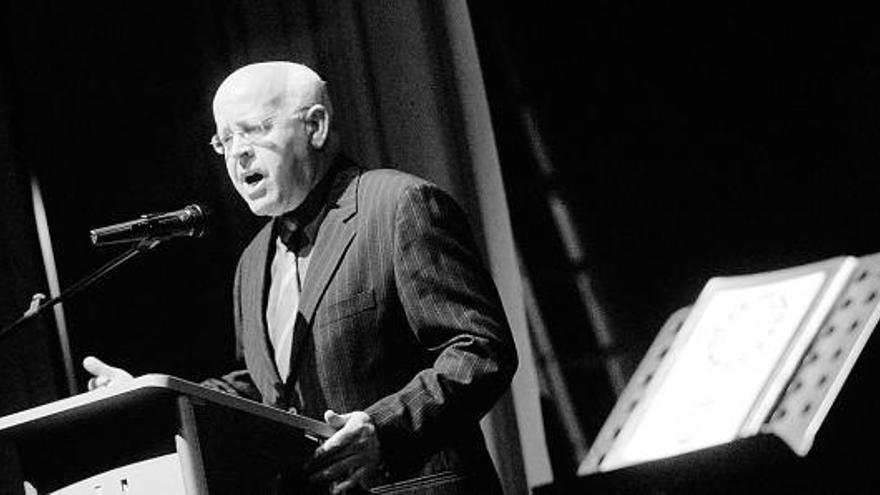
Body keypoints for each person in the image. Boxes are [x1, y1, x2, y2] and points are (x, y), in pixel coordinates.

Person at [84, 61, 518, 494]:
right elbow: (265, 387)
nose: (239, 153)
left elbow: (480, 349)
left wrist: (383, 430)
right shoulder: (253, 261)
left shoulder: (398, 205)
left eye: (255, 129)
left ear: (316, 125)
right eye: (226, 140)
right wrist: (151, 398)